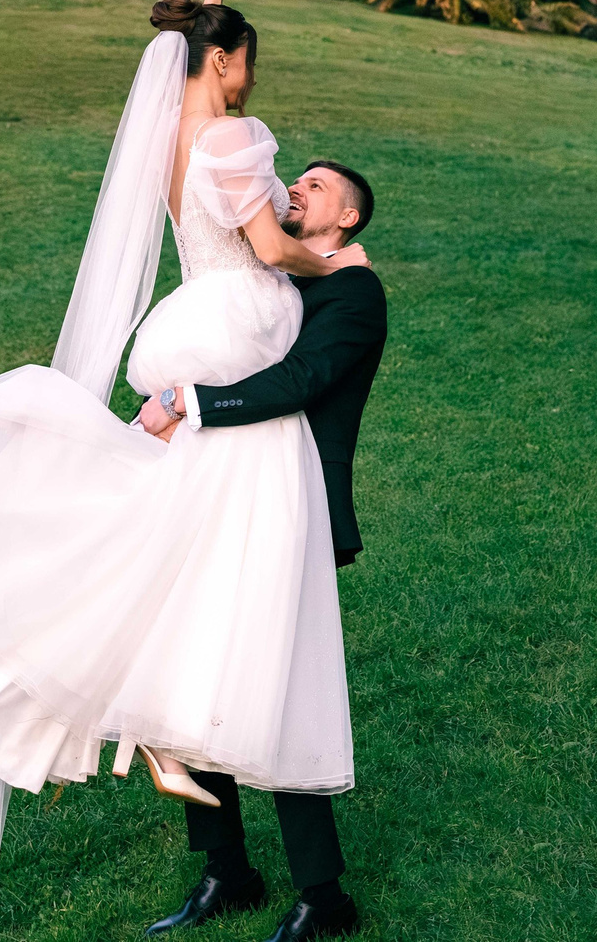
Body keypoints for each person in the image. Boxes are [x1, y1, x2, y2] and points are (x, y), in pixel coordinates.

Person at [0, 0, 374, 942]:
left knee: (231, 642)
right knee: (211, 643)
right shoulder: (234, 138)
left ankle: (296, 883)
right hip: (231, 401)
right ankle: (236, 870)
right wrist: (333, 256)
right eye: (246, 60)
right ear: (221, 61)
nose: (252, 79)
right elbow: (271, 250)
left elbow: (205, 110)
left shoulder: (167, 139)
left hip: (225, 397)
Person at [135, 156, 386, 941]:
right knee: (198, 673)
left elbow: (299, 382)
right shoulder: (276, 281)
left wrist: (187, 399)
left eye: (317, 187)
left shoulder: (353, 293)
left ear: (347, 217)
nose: (296, 189)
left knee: (278, 689)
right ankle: (227, 871)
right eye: (296, 179)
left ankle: (324, 895)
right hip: (220, 498)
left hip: (291, 509)